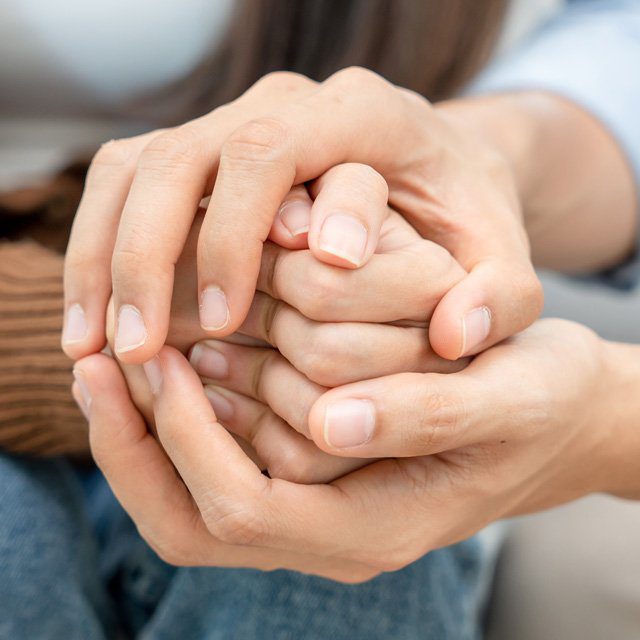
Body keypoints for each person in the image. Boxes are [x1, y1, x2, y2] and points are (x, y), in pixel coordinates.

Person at [1, 1, 640, 638]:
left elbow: (612, 55)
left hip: (337, 281)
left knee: (334, 519)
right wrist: (94, 335)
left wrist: (480, 151)